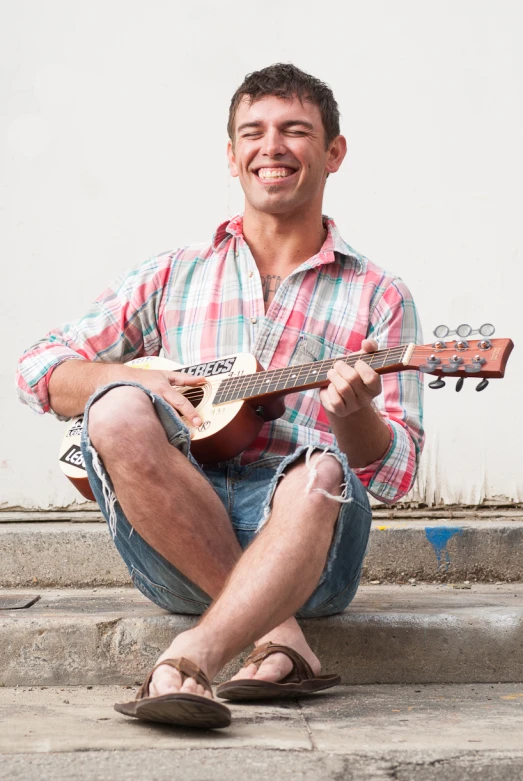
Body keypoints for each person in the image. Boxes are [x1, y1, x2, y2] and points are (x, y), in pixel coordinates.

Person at [16, 63, 424, 729]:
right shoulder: (173, 274)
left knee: (321, 468)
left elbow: (395, 469)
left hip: (307, 548)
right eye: (253, 132)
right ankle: (279, 635)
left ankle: (191, 656)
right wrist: (133, 377)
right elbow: (40, 369)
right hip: (171, 536)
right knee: (116, 405)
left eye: (295, 130)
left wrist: (355, 419)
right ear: (231, 155)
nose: (273, 146)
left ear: (333, 152)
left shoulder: (377, 293)